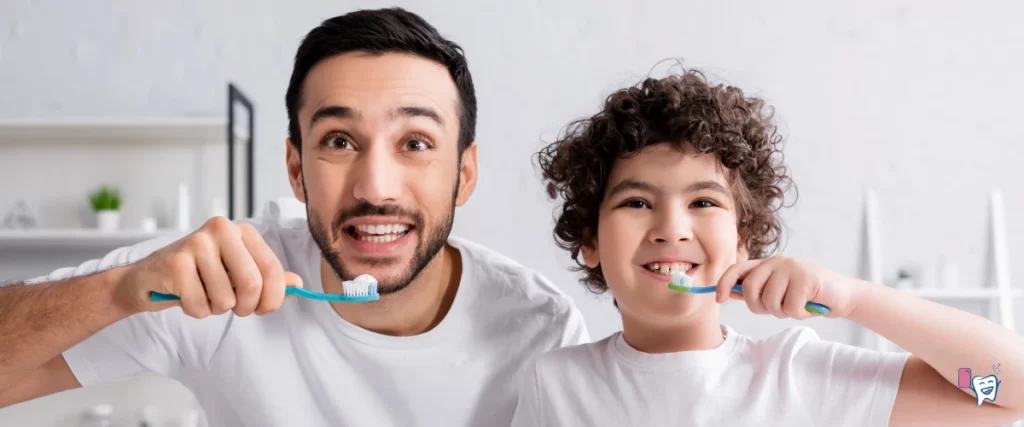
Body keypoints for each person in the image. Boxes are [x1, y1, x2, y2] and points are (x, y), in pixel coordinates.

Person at [0, 8, 589, 426]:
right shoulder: (222, 287)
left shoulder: (541, 334)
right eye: (338, 140)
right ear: (296, 168)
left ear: (463, 174)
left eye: (415, 143)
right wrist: (120, 289)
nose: (375, 186)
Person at [511, 68, 1024, 426]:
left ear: (744, 243)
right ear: (590, 240)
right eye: (637, 203)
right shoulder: (553, 386)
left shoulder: (802, 377)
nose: (672, 228)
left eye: (704, 203)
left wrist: (855, 299)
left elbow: (1005, 392)